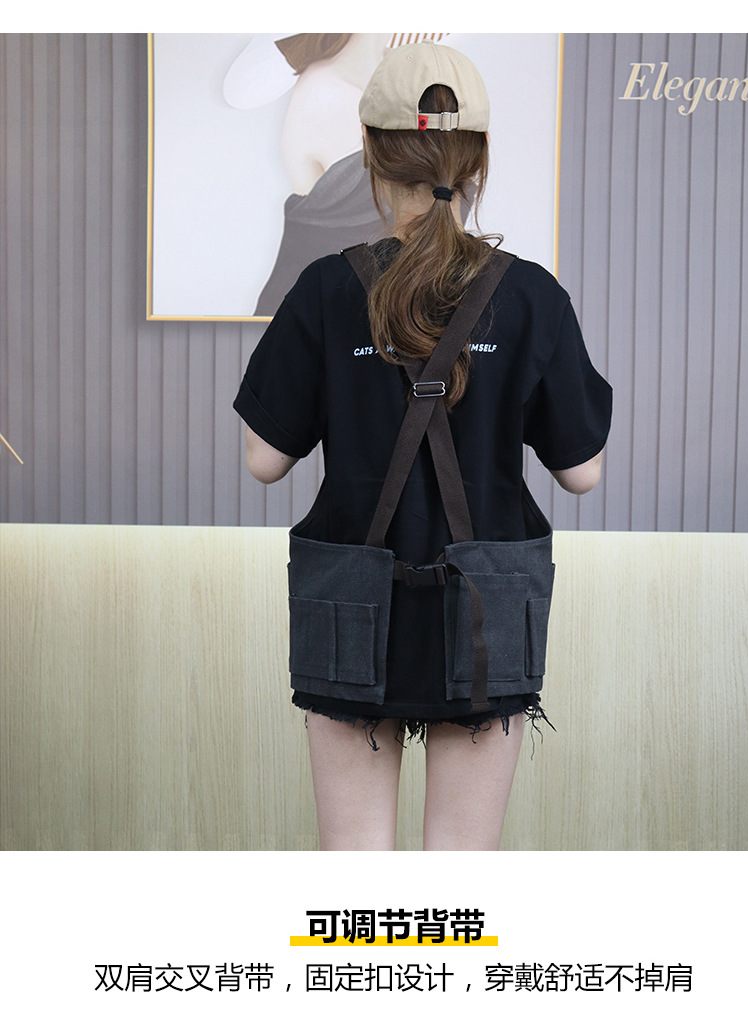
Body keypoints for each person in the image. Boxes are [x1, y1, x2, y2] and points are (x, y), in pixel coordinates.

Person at [233, 41, 612, 851]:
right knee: (458, 872)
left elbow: (264, 460)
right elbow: (581, 471)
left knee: (356, 873)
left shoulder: (327, 289)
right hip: (486, 608)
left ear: (369, 152)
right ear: (478, 157)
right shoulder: (531, 296)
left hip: (352, 603)